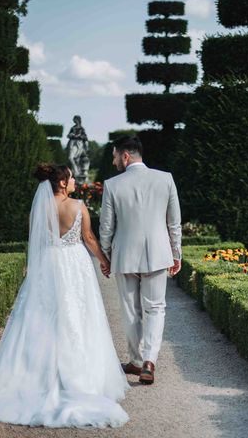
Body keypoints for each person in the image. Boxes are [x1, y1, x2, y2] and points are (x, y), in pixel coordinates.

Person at [0, 164, 129, 428]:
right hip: (74, 265)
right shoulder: (78, 206)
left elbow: (36, 240)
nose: (76, 180)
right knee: (77, 315)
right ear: (63, 183)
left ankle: (38, 372)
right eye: (71, 177)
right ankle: (79, 375)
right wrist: (104, 260)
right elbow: (88, 237)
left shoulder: (39, 208)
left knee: (41, 317)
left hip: (47, 264)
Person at [100, 135, 182, 385]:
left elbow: (106, 228)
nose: (114, 161)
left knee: (130, 310)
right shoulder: (165, 178)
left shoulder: (112, 185)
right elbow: (174, 222)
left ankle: (136, 361)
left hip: (124, 255)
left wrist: (106, 257)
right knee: (155, 307)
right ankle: (149, 361)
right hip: (158, 254)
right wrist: (176, 253)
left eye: (115, 156)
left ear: (125, 156)